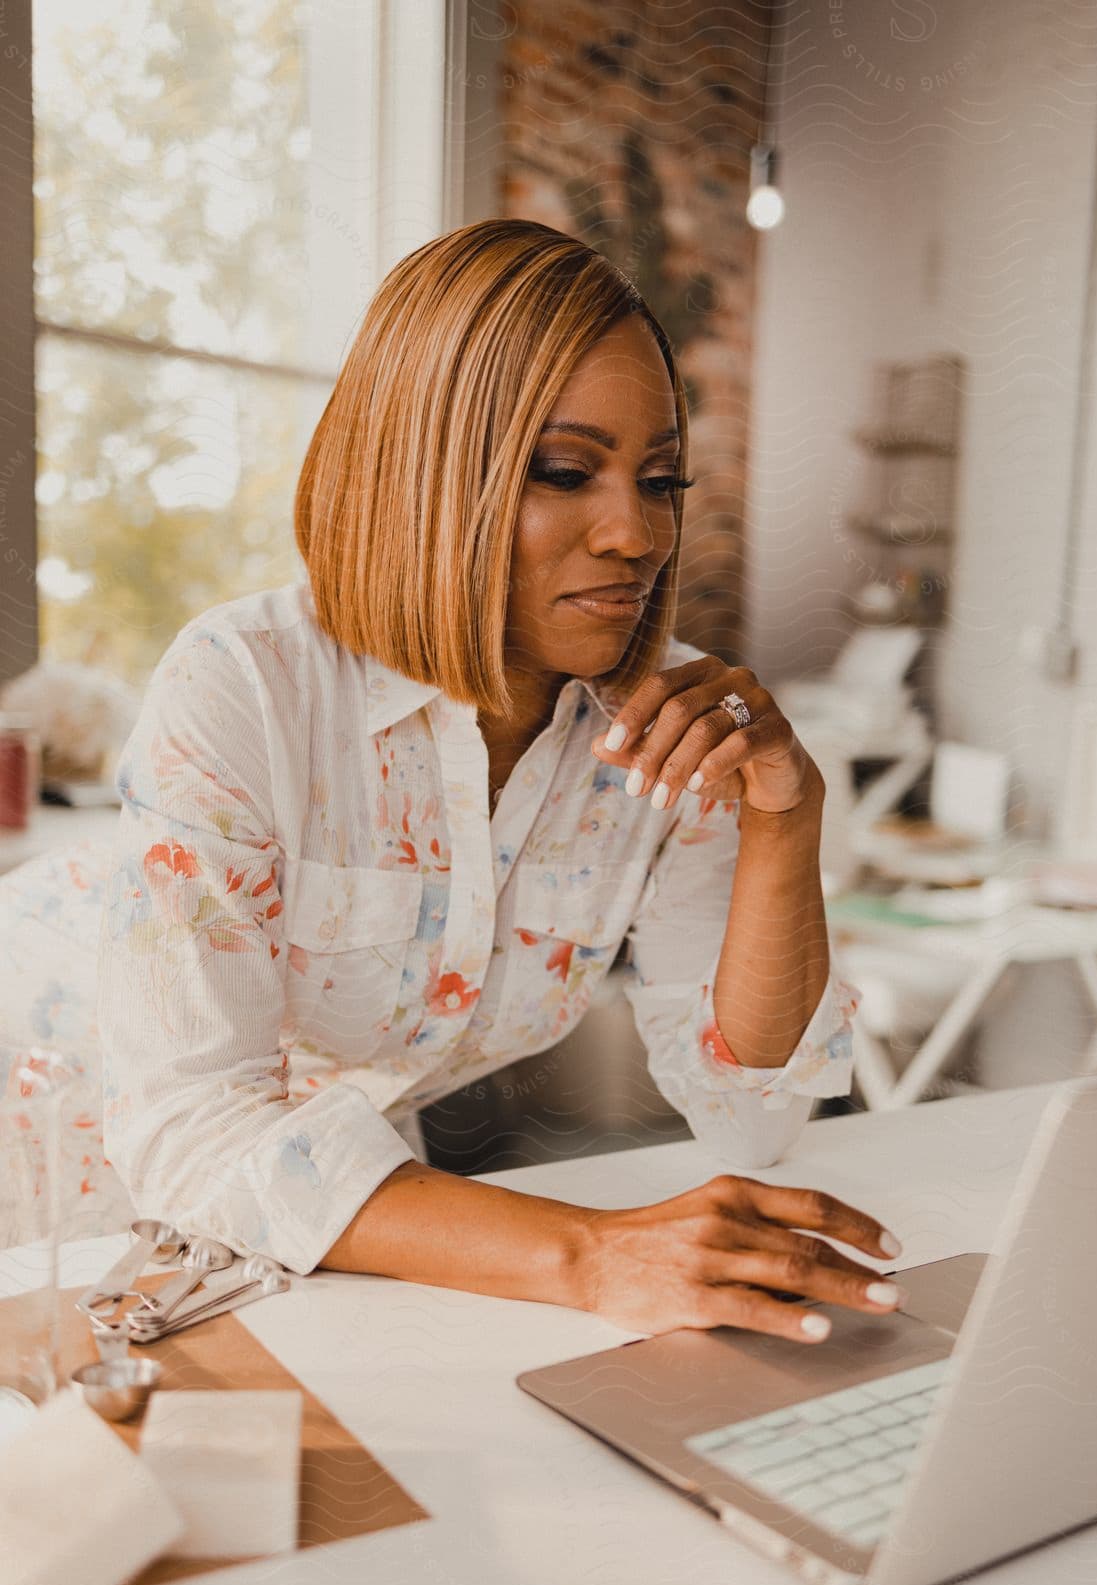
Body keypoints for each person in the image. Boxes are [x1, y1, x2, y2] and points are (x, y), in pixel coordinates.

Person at [10, 219, 908, 1340]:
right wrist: (590, 1254)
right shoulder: (246, 683)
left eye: (662, 477)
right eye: (564, 472)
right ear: (420, 476)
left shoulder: (663, 729)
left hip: (332, 1194)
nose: (636, 533)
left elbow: (751, 1120)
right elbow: (190, 1125)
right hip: (49, 1153)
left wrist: (787, 817)